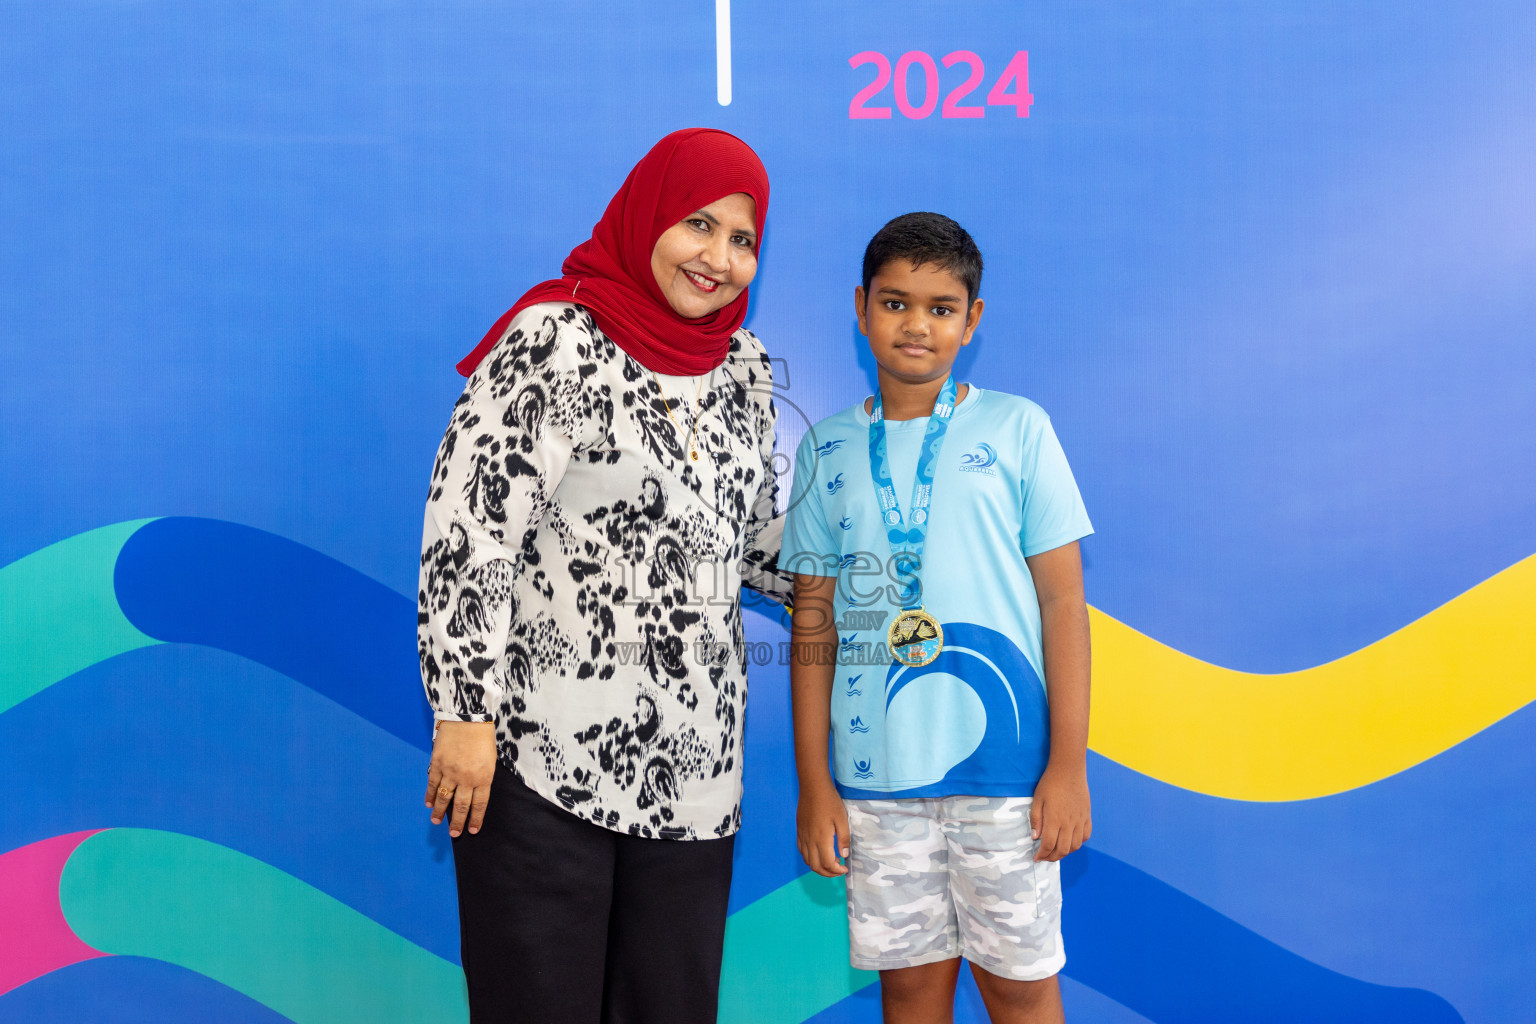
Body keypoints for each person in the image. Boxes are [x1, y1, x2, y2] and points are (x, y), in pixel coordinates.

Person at [417, 127, 790, 1023]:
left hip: (697, 779)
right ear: (647, 214)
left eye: (743, 240)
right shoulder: (554, 340)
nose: (720, 258)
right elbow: (469, 532)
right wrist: (463, 715)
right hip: (539, 764)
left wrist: (880, 566)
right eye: (698, 224)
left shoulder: (742, 368)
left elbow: (742, 540)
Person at [782, 212, 1094, 1023]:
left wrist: (1068, 766)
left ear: (972, 320)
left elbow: (1063, 601)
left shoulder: (1019, 429)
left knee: (1022, 993)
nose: (916, 324)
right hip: (878, 783)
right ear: (860, 307)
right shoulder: (827, 449)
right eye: (895, 303)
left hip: (1009, 780)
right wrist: (816, 783)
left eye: (940, 307)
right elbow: (812, 620)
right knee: (913, 994)